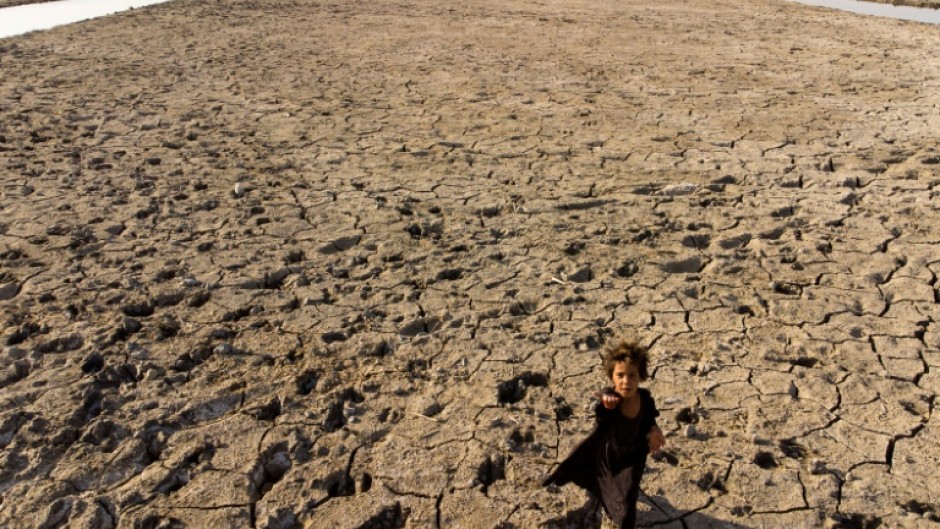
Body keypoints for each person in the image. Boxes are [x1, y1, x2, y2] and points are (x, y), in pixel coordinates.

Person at [544, 340, 666, 529]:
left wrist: (654, 429)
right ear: (612, 377)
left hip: (633, 457)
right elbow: (602, 414)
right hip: (610, 455)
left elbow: (649, 417)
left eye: (632, 375)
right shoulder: (611, 398)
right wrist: (607, 405)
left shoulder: (645, 398)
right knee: (604, 483)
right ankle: (599, 499)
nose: (626, 381)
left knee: (628, 498)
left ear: (641, 376)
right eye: (620, 375)